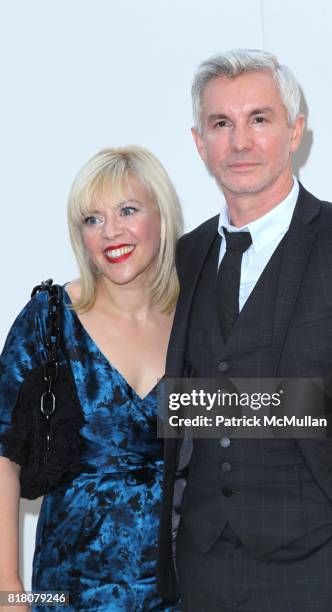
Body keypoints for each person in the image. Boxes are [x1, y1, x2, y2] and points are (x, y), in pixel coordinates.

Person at [158, 49, 332, 611]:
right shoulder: (184, 257)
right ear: (200, 143)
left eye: (259, 119)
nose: (240, 142)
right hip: (201, 572)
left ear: (295, 131)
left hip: (329, 568)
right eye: (221, 124)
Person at [0, 145, 183, 611]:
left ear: (161, 217)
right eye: (92, 219)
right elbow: (4, 453)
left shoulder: (201, 319)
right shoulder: (50, 320)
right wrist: (9, 589)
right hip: (70, 588)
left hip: (186, 588)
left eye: (127, 210)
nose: (111, 232)